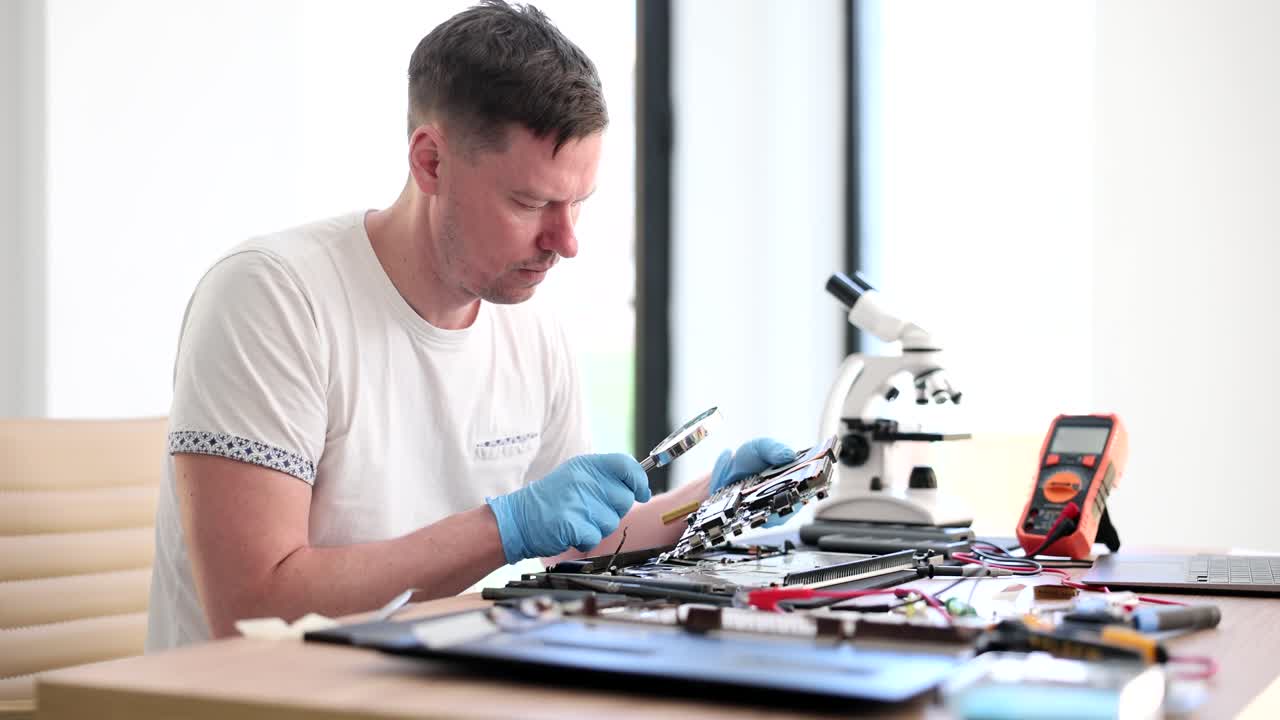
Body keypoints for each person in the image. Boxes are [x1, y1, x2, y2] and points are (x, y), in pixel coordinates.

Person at [146, 0, 794, 651]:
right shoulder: (274, 297)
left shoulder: (532, 327)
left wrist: (708, 504)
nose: (566, 243)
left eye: (578, 205)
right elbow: (253, 605)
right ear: (431, 162)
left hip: (425, 688)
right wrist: (501, 528)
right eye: (530, 202)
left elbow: (585, 542)